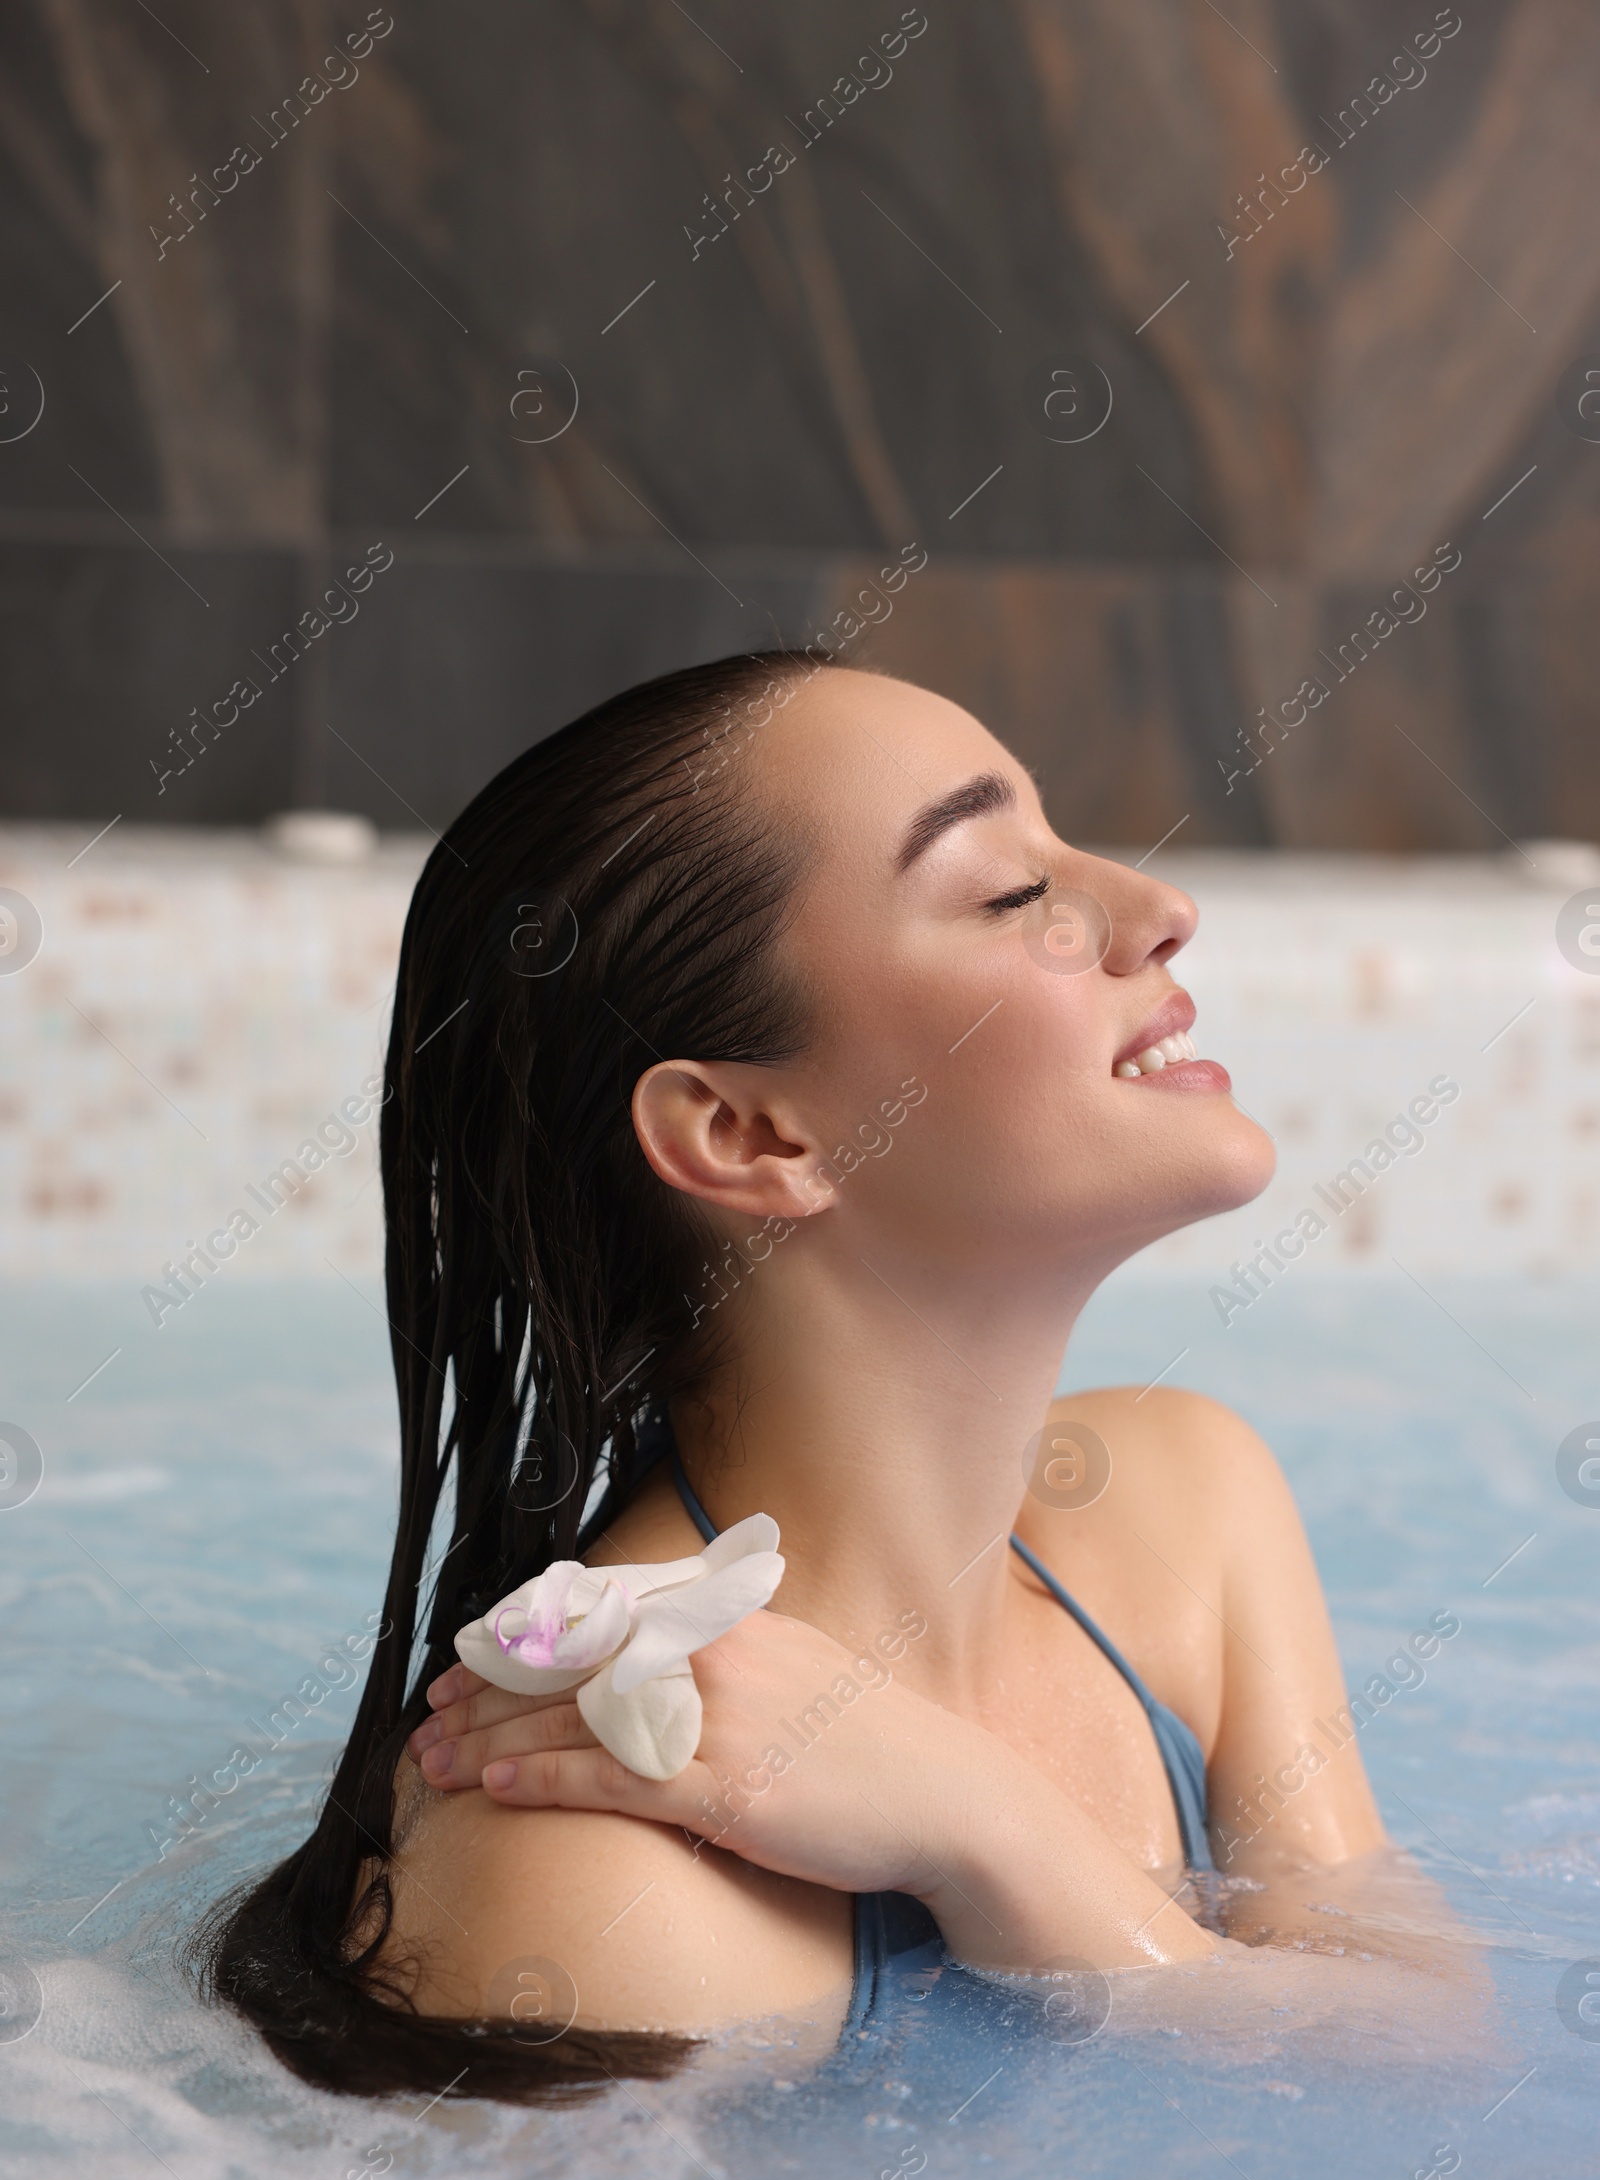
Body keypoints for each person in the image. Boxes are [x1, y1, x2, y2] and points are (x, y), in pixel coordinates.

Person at [199, 649, 1417, 2103]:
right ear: (751, 1135)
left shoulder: (1187, 1511)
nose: (1160, 913)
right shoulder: (594, 1880)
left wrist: (994, 1842)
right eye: (1011, 892)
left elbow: (1423, 2059)